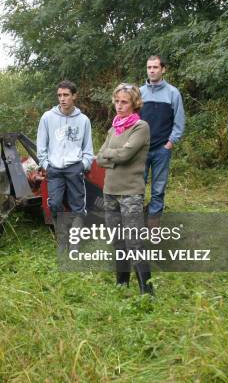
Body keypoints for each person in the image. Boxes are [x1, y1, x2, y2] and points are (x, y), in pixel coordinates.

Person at [96, 83, 153, 295]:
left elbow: (125, 155)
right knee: (118, 240)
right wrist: (112, 155)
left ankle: (147, 291)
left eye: (124, 102)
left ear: (134, 103)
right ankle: (122, 284)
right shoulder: (114, 126)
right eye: (117, 101)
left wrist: (111, 155)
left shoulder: (140, 127)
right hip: (109, 190)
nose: (119, 106)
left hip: (130, 192)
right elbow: (99, 158)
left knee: (134, 242)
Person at [36, 80, 94, 228]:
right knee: (54, 204)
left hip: (75, 168)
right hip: (54, 168)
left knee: (78, 206)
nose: (62, 99)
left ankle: (75, 240)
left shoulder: (83, 120)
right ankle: (63, 231)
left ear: (74, 96)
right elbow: (41, 146)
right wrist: (46, 165)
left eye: (66, 95)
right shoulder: (47, 117)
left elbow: (88, 149)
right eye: (59, 95)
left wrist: (83, 165)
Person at [139, 55, 185, 228]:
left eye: (155, 67)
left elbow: (179, 122)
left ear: (163, 69)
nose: (152, 70)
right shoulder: (139, 92)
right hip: (140, 150)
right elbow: (132, 119)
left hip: (161, 149)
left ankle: (153, 224)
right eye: (149, 67)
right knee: (138, 187)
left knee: (158, 188)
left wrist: (170, 143)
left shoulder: (173, 93)